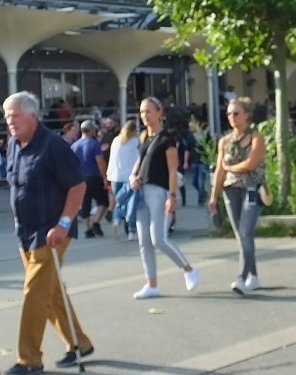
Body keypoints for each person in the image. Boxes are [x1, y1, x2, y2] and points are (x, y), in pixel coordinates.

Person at [2, 91, 94, 375]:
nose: (10, 121)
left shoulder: (54, 146)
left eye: (15, 115)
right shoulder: (14, 145)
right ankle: (79, 343)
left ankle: (29, 359)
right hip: (25, 232)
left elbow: (77, 187)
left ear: (32, 116)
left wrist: (64, 223)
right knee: (50, 294)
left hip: (51, 233)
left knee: (33, 294)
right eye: (7, 116)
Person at [130, 96, 199, 299]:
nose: (144, 116)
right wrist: (133, 176)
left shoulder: (167, 138)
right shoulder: (144, 137)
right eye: (142, 112)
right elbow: (139, 161)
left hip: (159, 191)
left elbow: (172, 169)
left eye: (148, 111)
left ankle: (188, 269)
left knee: (158, 239)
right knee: (144, 241)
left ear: (159, 112)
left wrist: (172, 196)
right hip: (142, 191)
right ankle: (152, 284)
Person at [209, 97, 267, 295]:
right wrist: (213, 196)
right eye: (229, 114)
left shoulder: (256, 137)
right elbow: (219, 170)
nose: (231, 117)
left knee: (245, 231)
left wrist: (231, 167)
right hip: (230, 189)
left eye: (236, 113)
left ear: (247, 115)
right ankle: (254, 277)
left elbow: (251, 164)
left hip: (252, 188)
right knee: (241, 236)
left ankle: (242, 278)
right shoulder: (224, 141)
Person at [71, 120, 109, 238]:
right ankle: (96, 222)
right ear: (92, 130)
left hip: (80, 178)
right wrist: (105, 177)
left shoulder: (74, 145)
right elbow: (100, 162)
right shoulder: (94, 144)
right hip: (94, 177)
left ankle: (87, 229)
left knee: (85, 203)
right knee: (103, 202)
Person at [107, 118, 140, 239]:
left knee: (119, 202)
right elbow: (139, 158)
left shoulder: (116, 141)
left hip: (115, 176)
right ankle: (131, 230)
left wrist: (109, 175)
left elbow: (112, 159)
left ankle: (117, 220)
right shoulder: (136, 141)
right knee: (131, 203)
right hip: (130, 176)